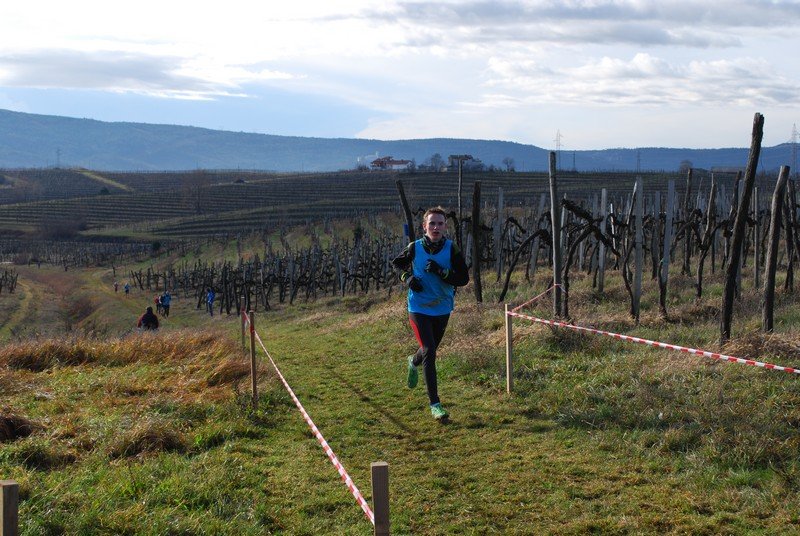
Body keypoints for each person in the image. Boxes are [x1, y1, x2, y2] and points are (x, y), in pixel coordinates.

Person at [392, 206, 469, 421]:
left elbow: (463, 279)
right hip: (418, 307)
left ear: (445, 227)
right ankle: (435, 405)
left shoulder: (452, 249)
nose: (436, 227)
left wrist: (441, 272)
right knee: (430, 350)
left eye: (440, 223)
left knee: (429, 348)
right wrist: (408, 278)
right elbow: (396, 265)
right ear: (424, 226)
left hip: (442, 307)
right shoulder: (414, 247)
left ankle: (413, 361)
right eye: (432, 223)